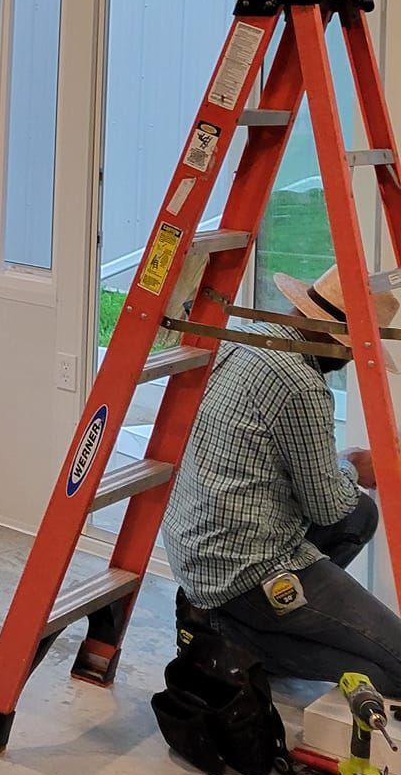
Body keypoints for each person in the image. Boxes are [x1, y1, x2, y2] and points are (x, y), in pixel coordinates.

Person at [162, 264, 401, 693]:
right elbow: (327, 507)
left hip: (198, 553)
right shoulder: (301, 385)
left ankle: (245, 621)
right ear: (334, 336)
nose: (349, 359)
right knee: (394, 667)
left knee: (360, 513)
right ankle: (239, 638)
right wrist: (353, 466)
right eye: (349, 349)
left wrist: (343, 467)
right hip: (246, 569)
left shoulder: (246, 343)